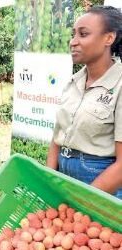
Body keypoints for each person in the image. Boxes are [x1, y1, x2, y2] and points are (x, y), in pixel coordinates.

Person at [46, 5, 122, 199]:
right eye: (73, 35)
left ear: (109, 38)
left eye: (83, 34)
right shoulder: (74, 81)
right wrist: (48, 180)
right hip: (63, 176)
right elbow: (57, 138)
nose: (73, 42)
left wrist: (84, 202)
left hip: (101, 185)